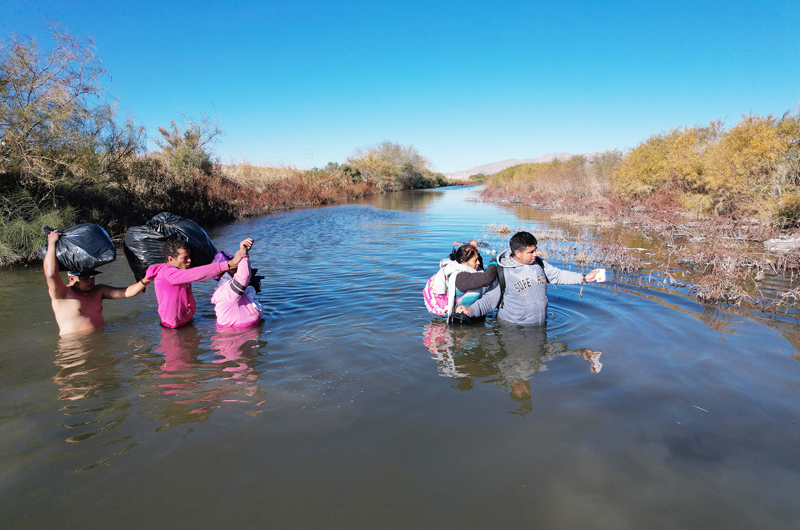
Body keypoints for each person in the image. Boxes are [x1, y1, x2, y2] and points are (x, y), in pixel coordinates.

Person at [457, 231, 601, 324]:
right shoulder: (502, 271)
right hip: (512, 330)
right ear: (518, 253)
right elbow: (490, 299)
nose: (535, 254)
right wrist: (471, 310)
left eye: (535, 250)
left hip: (540, 325)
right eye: (530, 252)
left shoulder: (539, 263)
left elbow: (558, 275)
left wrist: (585, 278)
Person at [43, 230, 149, 336]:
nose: (90, 281)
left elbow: (128, 292)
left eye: (92, 277)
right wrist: (52, 242)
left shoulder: (98, 291)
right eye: (85, 279)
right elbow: (51, 274)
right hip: (75, 347)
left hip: (101, 340)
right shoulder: (62, 293)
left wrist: (145, 280)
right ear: (71, 278)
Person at [145, 238, 247, 328]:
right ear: (171, 259)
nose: (189, 260)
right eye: (184, 258)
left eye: (189, 256)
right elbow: (196, 274)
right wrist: (229, 263)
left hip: (186, 322)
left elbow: (203, 272)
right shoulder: (167, 273)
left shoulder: (181, 270)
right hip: (172, 327)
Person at [425, 243, 498, 321]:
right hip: (463, 323)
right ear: (463, 261)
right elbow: (488, 277)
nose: (478, 263)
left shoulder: (462, 270)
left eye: (478, 259)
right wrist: (493, 262)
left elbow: (481, 274)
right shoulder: (461, 277)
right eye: (475, 260)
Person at [210, 238, 263, 328]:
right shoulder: (226, 291)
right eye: (236, 268)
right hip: (235, 336)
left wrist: (245, 253)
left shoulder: (231, 288)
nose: (240, 269)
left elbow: (245, 274)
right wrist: (243, 251)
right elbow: (243, 276)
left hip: (244, 332)